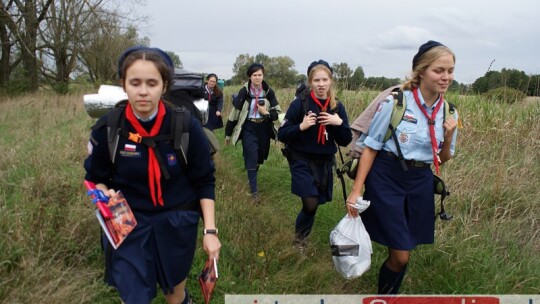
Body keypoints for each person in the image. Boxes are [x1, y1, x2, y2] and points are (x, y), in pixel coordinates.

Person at [84, 46, 221, 304]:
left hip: (177, 222)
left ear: (164, 85)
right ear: (123, 84)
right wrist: (103, 192)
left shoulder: (184, 125)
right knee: (134, 296)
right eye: (135, 82)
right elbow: (95, 177)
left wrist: (210, 232)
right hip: (126, 223)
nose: (143, 91)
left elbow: (204, 180)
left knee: (174, 294)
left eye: (152, 83)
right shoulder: (109, 128)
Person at [346, 40, 459, 294]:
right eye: (438, 70)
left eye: (450, 71)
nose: (446, 77)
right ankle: (385, 298)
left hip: (420, 180)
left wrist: (449, 136)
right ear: (421, 71)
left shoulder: (449, 112)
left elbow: (442, 159)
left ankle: (388, 296)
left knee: (404, 245)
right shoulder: (396, 104)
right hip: (386, 177)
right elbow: (372, 147)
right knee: (401, 255)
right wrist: (356, 190)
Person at [277, 60, 352, 249]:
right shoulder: (300, 104)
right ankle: (299, 242)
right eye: (316, 80)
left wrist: (337, 123)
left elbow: (345, 140)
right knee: (310, 202)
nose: (321, 84)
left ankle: (302, 235)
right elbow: (282, 133)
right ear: (311, 82)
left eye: (324, 79)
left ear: (331, 81)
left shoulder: (336, 107)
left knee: (314, 204)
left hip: (324, 163)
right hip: (301, 159)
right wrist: (301, 126)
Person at [224, 63, 281, 203]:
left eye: (259, 75)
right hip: (248, 126)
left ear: (263, 75)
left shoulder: (268, 91)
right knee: (252, 153)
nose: (257, 78)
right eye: (254, 75)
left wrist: (266, 112)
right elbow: (234, 113)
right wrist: (228, 134)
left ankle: (251, 175)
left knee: (259, 156)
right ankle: (254, 192)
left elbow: (277, 113)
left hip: (263, 127)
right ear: (250, 76)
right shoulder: (244, 92)